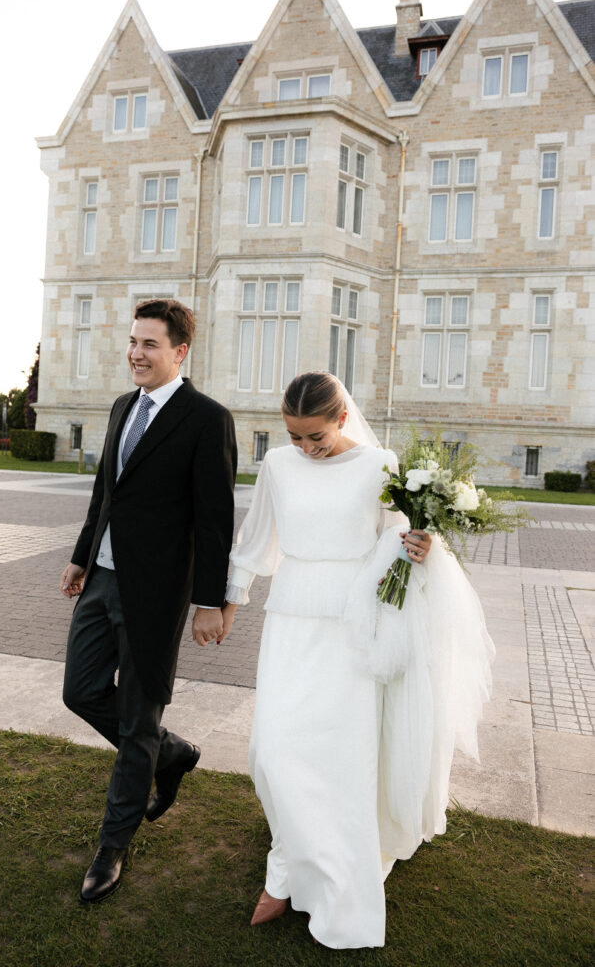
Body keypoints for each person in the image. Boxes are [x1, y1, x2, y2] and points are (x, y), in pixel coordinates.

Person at [217, 372, 494, 949]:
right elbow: (256, 539)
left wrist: (421, 545)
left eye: (314, 437)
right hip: (291, 620)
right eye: (294, 437)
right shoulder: (278, 466)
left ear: (341, 419)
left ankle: (310, 879)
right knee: (270, 751)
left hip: (353, 627)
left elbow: (399, 540)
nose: (305, 449)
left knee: (340, 759)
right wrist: (227, 607)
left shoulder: (379, 466)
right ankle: (291, 856)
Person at [60, 298, 237, 904]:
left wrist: (210, 602)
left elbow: (216, 521)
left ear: (180, 351)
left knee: (137, 719)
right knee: (79, 690)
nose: (136, 354)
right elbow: (103, 492)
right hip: (103, 580)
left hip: (157, 594)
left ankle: (112, 844)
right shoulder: (119, 407)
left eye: (149, 345)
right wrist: (82, 555)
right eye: (133, 342)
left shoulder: (206, 419)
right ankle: (173, 751)